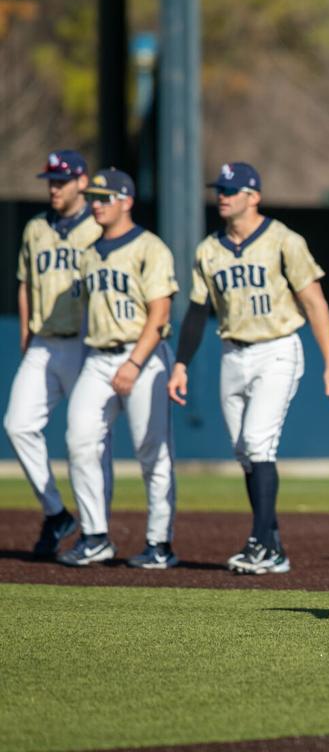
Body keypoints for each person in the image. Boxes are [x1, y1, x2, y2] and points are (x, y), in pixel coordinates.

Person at [167, 162, 329, 574]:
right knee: (245, 454)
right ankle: (271, 543)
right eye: (220, 189)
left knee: (257, 443)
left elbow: (315, 302)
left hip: (277, 349)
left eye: (232, 190)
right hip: (233, 352)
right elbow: (197, 311)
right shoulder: (209, 249)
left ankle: (261, 543)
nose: (223, 196)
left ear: (254, 196)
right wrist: (180, 365)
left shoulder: (284, 240)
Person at [60, 169, 178, 568]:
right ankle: (94, 535)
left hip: (142, 354)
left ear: (126, 201)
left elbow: (160, 311)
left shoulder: (150, 247)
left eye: (104, 197)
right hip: (98, 356)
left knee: (152, 451)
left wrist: (133, 362)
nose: (96, 203)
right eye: (93, 197)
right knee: (80, 440)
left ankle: (159, 543)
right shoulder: (90, 252)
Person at [5, 150, 112, 559]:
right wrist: (27, 330)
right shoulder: (36, 228)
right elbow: (24, 281)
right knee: (17, 424)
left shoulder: (97, 225)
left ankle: (96, 529)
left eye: (62, 180)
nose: (54, 187)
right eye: (50, 180)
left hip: (86, 341)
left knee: (91, 439)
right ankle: (55, 512)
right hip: (45, 341)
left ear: (82, 182)